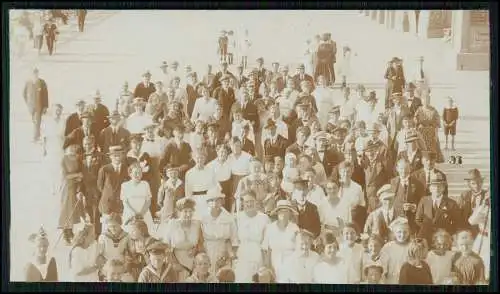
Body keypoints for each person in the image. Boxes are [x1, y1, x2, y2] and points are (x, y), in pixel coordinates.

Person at [161, 198, 203, 281]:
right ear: (179, 212)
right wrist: (174, 263)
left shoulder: (197, 224)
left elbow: (201, 242)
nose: (188, 214)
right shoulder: (172, 224)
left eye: (190, 211)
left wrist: (195, 249)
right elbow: (166, 246)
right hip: (176, 261)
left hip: (193, 262)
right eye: (185, 211)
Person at [233, 191, 270, 282]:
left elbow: (266, 244)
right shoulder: (237, 218)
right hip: (241, 256)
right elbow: (233, 241)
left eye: (251, 201)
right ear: (243, 203)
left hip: (257, 255)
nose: (249, 204)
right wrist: (234, 258)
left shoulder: (264, 218)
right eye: (246, 202)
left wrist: (266, 263)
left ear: (256, 201)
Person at [200, 189, 238, 276]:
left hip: (224, 251)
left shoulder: (229, 218)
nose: (215, 203)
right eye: (212, 200)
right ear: (208, 202)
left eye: (218, 200)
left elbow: (234, 240)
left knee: (222, 276)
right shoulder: (202, 217)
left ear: (222, 201)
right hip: (207, 250)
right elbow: (200, 238)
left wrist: (227, 255)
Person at [415, 171, 460, 244]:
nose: (436, 189)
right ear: (430, 188)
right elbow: (418, 219)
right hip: (425, 237)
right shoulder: (424, 200)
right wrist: (427, 228)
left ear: (443, 188)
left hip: (443, 239)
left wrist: (447, 232)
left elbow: (457, 223)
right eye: (434, 186)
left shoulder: (451, 203)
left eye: (439, 186)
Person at [262, 199, 300, 281]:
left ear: (290, 213)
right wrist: (269, 267)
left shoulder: (294, 228)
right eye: (281, 211)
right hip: (274, 263)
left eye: (286, 211)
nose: (283, 213)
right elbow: (267, 250)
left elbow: (298, 250)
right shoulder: (270, 228)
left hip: (291, 264)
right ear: (277, 212)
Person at [57, 144, 86, 245]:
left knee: (73, 210)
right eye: (71, 147)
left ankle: (70, 232)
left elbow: (79, 171)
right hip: (66, 186)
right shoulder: (64, 159)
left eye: (75, 146)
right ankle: (65, 233)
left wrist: (78, 178)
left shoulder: (77, 158)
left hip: (74, 186)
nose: (73, 148)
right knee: (66, 209)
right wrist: (77, 175)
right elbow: (64, 175)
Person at [120, 162, 155, 233]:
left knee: (147, 232)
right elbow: (125, 202)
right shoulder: (125, 185)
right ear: (130, 174)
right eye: (135, 172)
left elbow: (148, 201)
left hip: (144, 213)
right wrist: (134, 214)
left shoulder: (145, 184)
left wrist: (142, 213)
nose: (138, 175)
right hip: (130, 213)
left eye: (140, 172)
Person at [414, 91, 444, 163]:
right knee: (422, 149)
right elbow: (415, 121)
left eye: (427, 99)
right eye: (424, 99)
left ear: (429, 100)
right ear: (422, 100)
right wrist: (417, 126)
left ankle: (431, 163)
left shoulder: (433, 110)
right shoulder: (419, 110)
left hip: (431, 133)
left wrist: (436, 135)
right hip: (421, 133)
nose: (426, 101)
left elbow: (437, 124)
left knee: (431, 150)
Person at [23, 67, 49, 142]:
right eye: (34, 73)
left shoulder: (42, 82)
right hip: (31, 107)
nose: (35, 74)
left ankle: (36, 137)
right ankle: (36, 135)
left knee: (37, 121)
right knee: (34, 121)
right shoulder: (28, 82)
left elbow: (46, 95)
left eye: (36, 72)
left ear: (38, 73)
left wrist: (45, 106)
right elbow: (24, 94)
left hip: (39, 107)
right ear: (31, 74)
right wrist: (27, 103)